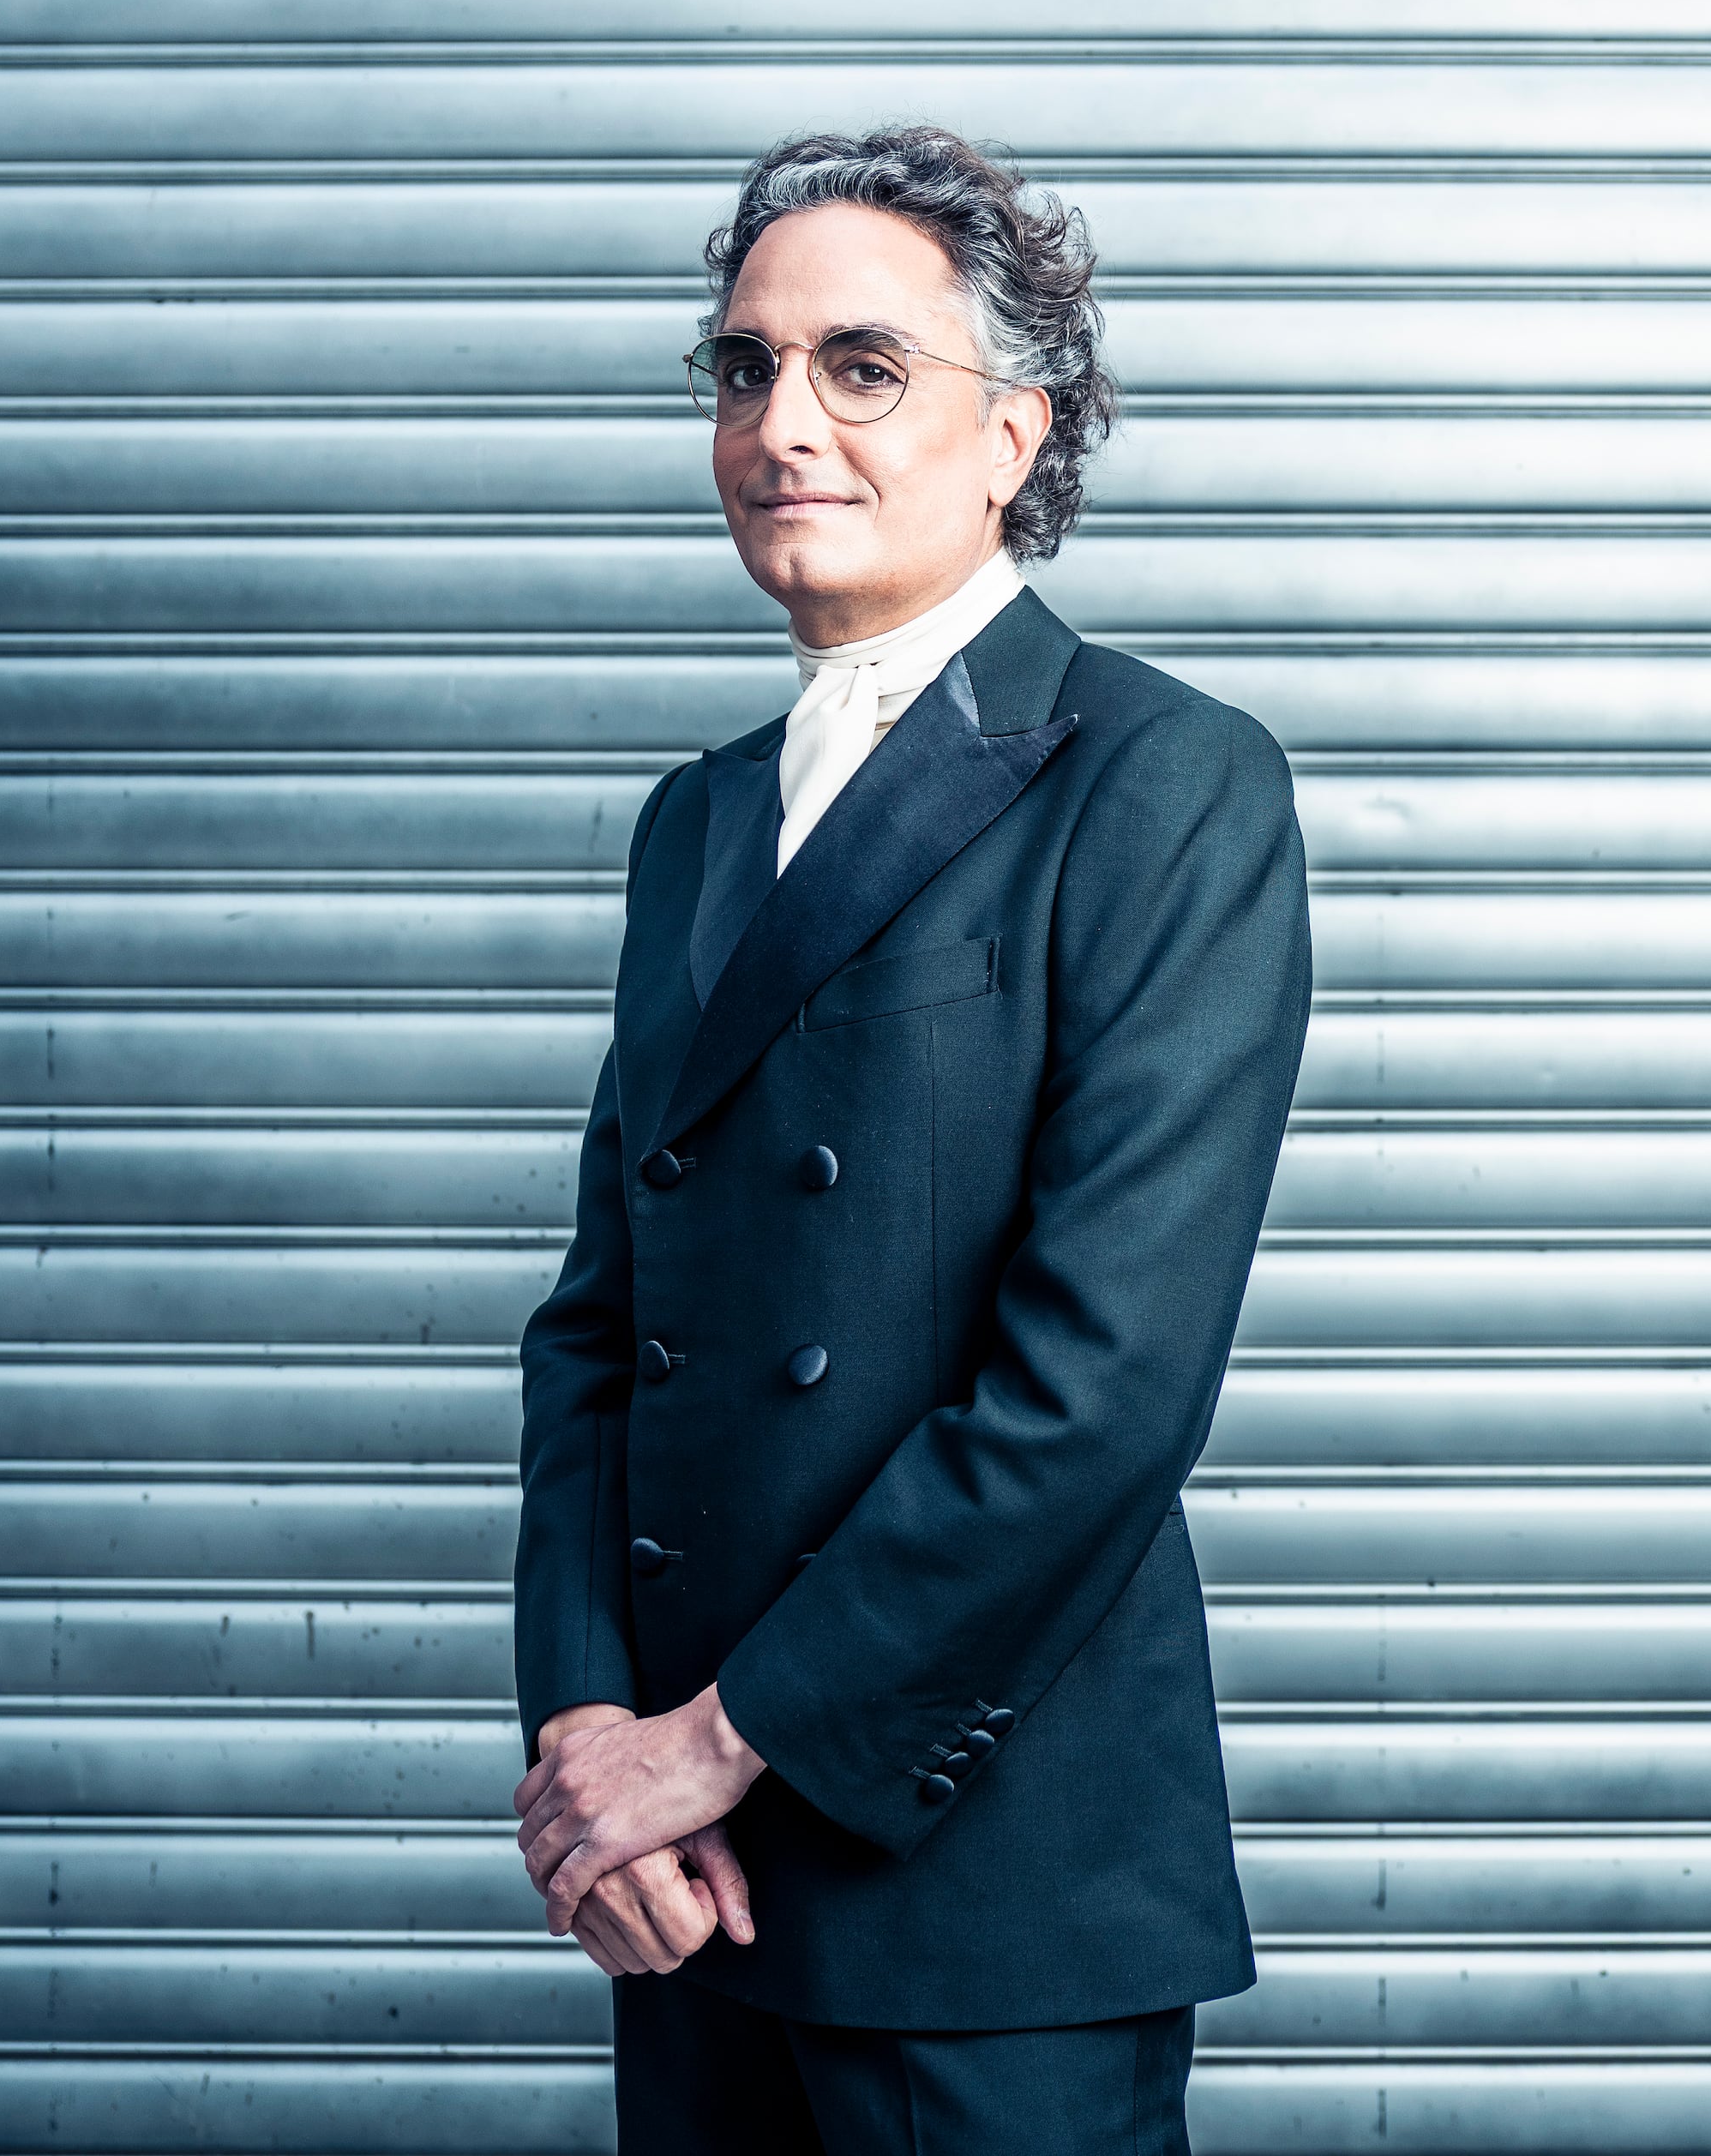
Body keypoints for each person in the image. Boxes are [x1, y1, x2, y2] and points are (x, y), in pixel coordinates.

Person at [512, 125, 1310, 2154]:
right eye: (745, 367)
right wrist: (590, 1747)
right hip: (693, 1897)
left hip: (982, 1889)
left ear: (1011, 435)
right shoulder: (695, 819)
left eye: (860, 367)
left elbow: (1101, 1390)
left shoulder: (1166, 783)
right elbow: (603, 1333)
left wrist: (721, 1740)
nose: (783, 422)